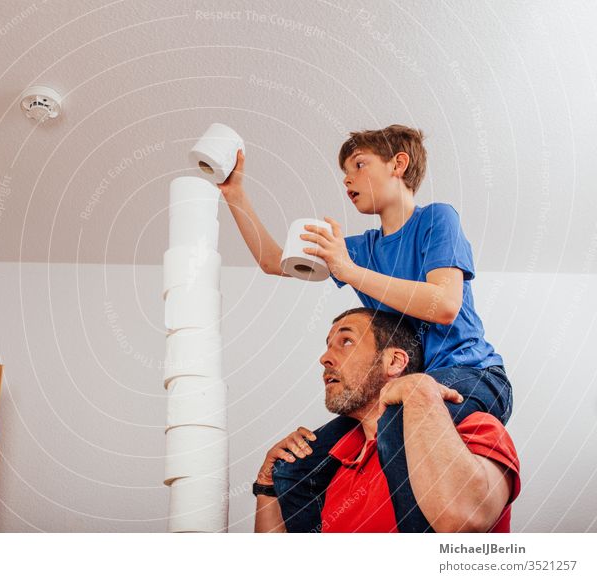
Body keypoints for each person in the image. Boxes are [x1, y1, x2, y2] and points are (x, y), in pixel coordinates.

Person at [219, 125, 513, 531]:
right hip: (407, 387)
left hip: (472, 374)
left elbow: (444, 305)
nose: (347, 178)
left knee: (396, 425)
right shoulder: (363, 249)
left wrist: (350, 271)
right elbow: (274, 260)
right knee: (293, 468)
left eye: (359, 164)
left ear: (399, 164)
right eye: (344, 171)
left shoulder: (436, 220)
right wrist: (234, 194)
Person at [252, 308, 520, 533]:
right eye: (327, 346)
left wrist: (420, 391)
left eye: (346, 341)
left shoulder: (470, 429)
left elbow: (465, 521)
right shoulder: (330, 468)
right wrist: (267, 485)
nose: (324, 359)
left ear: (394, 361)